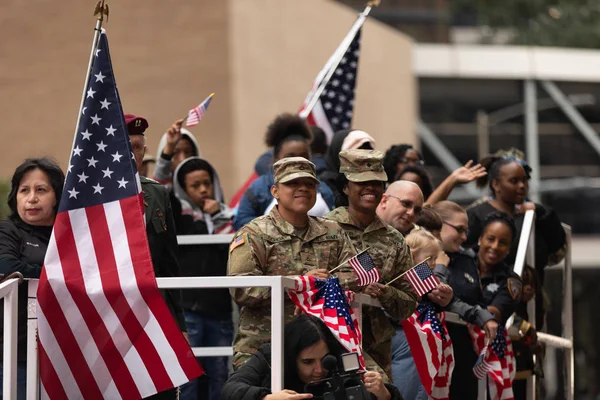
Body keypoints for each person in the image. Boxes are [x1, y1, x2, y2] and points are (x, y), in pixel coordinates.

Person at [227, 157, 359, 370]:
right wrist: (298, 286)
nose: (303, 189)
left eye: (309, 184)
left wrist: (321, 287)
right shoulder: (254, 234)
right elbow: (242, 289)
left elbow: (355, 274)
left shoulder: (332, 231)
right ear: (275, 191)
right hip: (265, 347)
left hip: (321, 351)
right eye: (292, 183)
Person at [325, 149, 418, 378]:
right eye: (361, 181)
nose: (371, 187)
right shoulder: (323, 228)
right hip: (327, 343)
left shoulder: (394, 239)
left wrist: (385, 293)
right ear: (346, 187)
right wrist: (353, 285)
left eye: (377, 182)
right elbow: (309, 282)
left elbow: (409, 303)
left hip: (375, 349)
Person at [126, 114, 189, 399]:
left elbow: (170, 265)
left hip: (154, 311)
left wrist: (180, 325)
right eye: (125, 146)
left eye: (138, 147)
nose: (133, 153)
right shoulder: (88, 197)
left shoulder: (157, 193)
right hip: (109, 316)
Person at [465, 154, 565, 327]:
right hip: (490, 306)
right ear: (496, 184)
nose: (522, 186)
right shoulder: (477, 214)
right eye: (514, 181)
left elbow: (557, 244)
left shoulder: (533, 216)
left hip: (530, 307)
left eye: (524, 181)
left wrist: (539, 210)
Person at [0, 157, 64, 397]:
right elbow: (7, 266)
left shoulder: (70, 231)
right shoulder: (8, 230)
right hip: (15, 351)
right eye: (24, 190)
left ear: (57, 195)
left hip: (64, 348)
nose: (31, 198)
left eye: (41, 190)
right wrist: (59, 278)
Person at [221, 315, 401, 400]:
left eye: (324, 360)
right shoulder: (271, 356)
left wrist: (384, 394)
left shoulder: (340, 359)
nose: (319, 370)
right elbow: (231, 389)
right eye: (307, 362)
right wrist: (267, 398)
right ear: (291, 356)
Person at [173, 156, 235, 400]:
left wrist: (219, 215)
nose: (202, 190)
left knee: (219, 375)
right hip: (189, 311)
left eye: (206, 183)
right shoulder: (179, 218)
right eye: (195, 185)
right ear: (184, 190)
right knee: (188, 378)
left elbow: (233, 251)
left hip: (219, 311)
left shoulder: (227, 215)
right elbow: (163, 185)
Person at [233, 114, 335, 230]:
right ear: (276, 158)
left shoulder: (323, 189)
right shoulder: (259, 188)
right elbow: (241, 221)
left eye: (303, 156)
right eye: (290, 156)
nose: (297, 161)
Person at [391, 229, 454, 400]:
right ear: (411, 254)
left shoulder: (426, 277)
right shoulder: (398, 274)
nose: (434, 263)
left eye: (435, 258)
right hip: (403, 333)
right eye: (430, 258)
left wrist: (443, 290)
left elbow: (437, 292)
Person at [510, 265, 542, 400]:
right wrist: (526, 328)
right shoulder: (508, 303)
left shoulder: (525, 308)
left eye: (532, 285)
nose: (529, 288)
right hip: (510, 369)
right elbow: (508, 318)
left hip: (523, 368)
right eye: (525, 283)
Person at [319, 129, 375, 199]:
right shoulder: (322, 187)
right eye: (356, 153)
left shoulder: (374, 185)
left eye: (366, 152)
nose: (362, 159)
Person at [153, 118, 201, 191]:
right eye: (175, 153)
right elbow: (157, 187)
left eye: (187, 152)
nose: (182, 159)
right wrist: (169, 148)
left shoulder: (204, 189)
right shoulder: (162, 194)